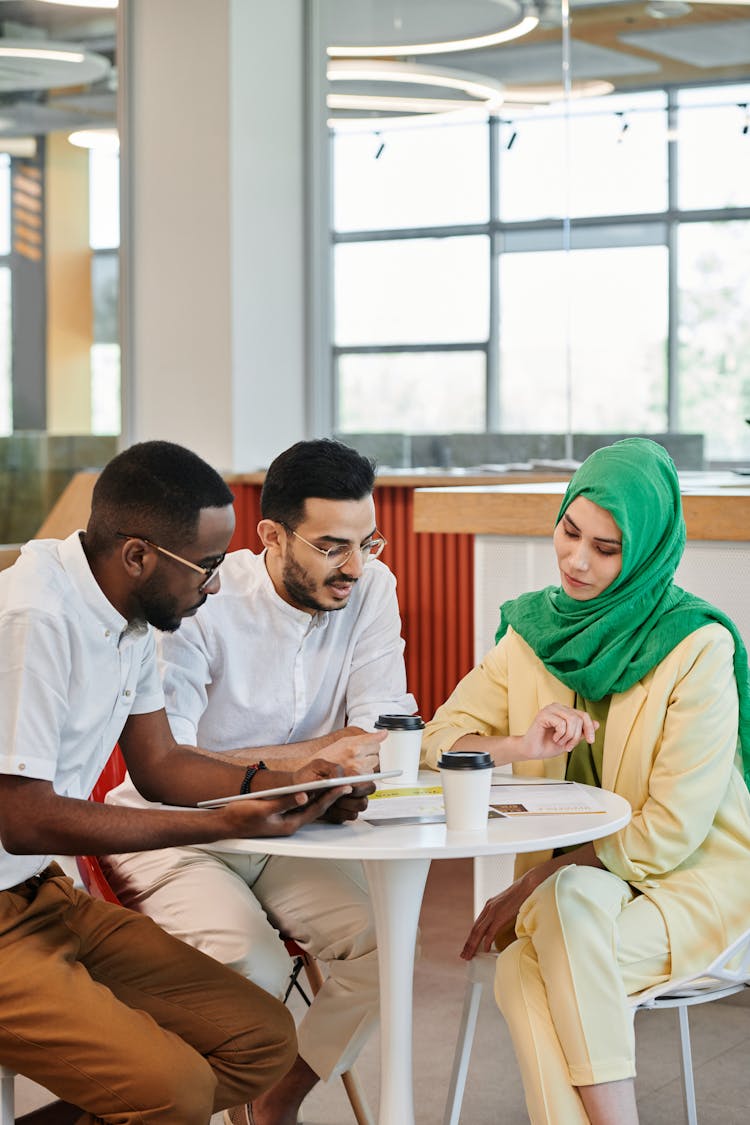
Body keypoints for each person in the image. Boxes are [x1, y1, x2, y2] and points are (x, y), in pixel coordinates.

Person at [0, 440, 373, 1125]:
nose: (216, 584)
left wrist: (277, 783)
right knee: (174, 1091)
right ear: (139, 554)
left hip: (37, 891)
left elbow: (162, 763)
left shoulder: (133, 613)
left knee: (260, 1041)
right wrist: (221, 823)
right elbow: (22, 818)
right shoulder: (36, 614)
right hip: (5, 902)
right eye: (205, 567)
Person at [422, 438, 750, 1125]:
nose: (576, 560)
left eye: (606, 548)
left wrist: (533, 879)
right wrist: (518, 742)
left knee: (529, 963)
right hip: (576, 893)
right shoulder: (534, 633)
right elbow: (439, 742)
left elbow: (669, 832)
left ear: (649, 550)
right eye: (571, 531)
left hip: (691, 882)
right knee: (562, 913)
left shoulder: (697, 647)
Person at [102, 438, 416, 1125]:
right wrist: (319, 751)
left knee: (389, 943)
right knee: (258, 968)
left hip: (287, 830)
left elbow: (383, 734)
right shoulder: (200, 596)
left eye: (369, 542)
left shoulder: (372, 588)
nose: (356, 566)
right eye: (333, 545)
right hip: (178, 834)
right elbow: (169, 763)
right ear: (272, 535)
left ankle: (281, 1095)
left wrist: (323, 761)